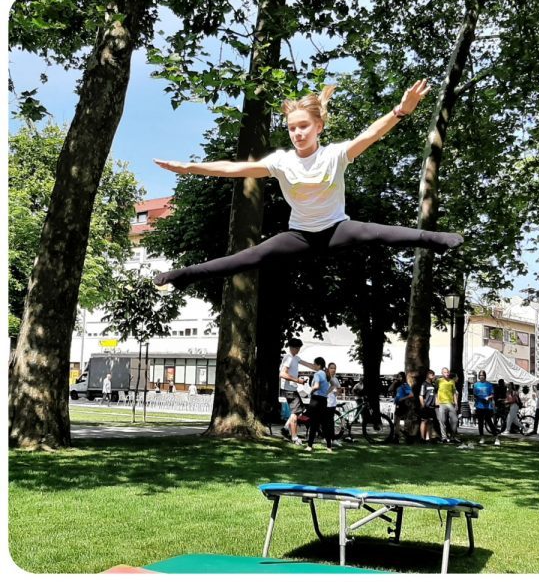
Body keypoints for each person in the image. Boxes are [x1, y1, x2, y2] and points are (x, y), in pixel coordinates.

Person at [151, 79, 462, 292]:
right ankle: (184, 276)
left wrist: (401, 110)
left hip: (336, 228)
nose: (297, 133)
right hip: (299, 235)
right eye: (291, 128)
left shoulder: (335, 155)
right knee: (247, 257)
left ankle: (435, 238)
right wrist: (189, 167)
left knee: (375, 231)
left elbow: (371, 134)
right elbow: (234, 168)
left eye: (303, 127)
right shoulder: (282, 162)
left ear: (319, 127)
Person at [279, 338, 319, 444]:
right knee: (295, 414)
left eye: (299, 348)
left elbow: (308, 365)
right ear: (292, 347)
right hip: (289, 390)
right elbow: (282, 374)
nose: (298, 350)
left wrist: (319, 368)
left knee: (299, 410)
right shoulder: (288, 358)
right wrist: (298, 380)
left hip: (292, 389)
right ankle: (294, 437)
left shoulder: (295, 358)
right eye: (297, 348)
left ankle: (286, 428)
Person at [305, 357, 335, 451]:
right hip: (324, 400)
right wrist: (326, 393)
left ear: (318, 365)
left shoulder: (317, 374)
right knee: (324, 424)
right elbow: (333, 385)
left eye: (314, 364)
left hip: (315, 399)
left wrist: (310, 391)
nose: (313, 366)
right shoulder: (326, 374)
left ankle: (310, 446)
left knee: (313, 423)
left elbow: (316, 386)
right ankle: (329, 447)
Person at [472, 370, 502, 446]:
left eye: (483, 375)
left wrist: (488, 397)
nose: (481, 376)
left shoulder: (489, 385)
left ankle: (496, 436)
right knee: (480, 423)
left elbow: (492, 394)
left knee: (489, 422)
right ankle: (482, 437)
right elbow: (474, 394)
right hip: (479, 405)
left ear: (485, 376)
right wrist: (476, 399)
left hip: (487, 406)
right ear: (479, 376)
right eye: (480, 375)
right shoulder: (475, 385)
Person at [390, 372, 417, 439]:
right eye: (398, 376)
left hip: (403, 404)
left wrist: (402, 398)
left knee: (399, 420)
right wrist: (394, 382)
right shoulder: (397, 385)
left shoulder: (405, 385)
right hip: (398, 404)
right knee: (396, 421)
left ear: (403, 377)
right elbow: (389, 389)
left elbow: (411, 395)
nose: (398, 378)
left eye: (400, 376)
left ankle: (401, 435)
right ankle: (397, 435)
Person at [436, 368, 460, 444]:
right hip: (442, 403)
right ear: (442, 373)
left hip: (450, 403)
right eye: (445, 372)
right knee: (442, 421)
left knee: (455, 420)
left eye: (447, 372)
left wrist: (456, 404)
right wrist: (437, 401)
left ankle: (453, 437)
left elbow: (454, 393)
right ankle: (444, 438)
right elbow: (435, 391)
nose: (446, 373)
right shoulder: (439, 381)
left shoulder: (452, 381)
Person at [419, 370, 439, 442]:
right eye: (432, 375)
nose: (433, 376)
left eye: (433, 375)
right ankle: (422, 437)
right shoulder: (424, 384)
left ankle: (428, 437)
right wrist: (423, 405)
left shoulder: (433, 385)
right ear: (428, 375)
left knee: (430, 421)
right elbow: (421, 396)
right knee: (424, 421)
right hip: (426, 406)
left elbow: (435, 395)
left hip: (432, 406)